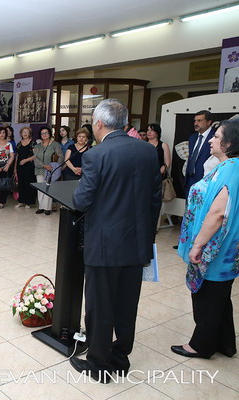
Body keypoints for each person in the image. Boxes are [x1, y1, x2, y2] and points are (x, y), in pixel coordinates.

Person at [70, 99, 161, 382]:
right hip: (137, 243)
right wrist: (147, 237)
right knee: (126, 305)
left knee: (99, 307)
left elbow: (81, 200)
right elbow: (155, 199)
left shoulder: (96, 155)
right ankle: (120, 360)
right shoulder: (148, 151)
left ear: (98, 123)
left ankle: (98, 366)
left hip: (104, 246)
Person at [172, 119, 239, 359]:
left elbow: (218, 213)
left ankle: (201, 346)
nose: (211, 139)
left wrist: (198, 244)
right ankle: (226, 343)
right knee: (220, 296)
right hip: (227, 249)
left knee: (206, 297)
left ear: (229, 143)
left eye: (217, 136)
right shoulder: (231, 166)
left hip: (214, 249)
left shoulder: (230, 170)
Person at [185, 110, 215, 196]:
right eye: (195, 121)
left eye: (199, 121)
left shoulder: (215, 137)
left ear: (209, 122)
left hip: (206, 181)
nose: (195, 123)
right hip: (190, 180)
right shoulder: (192, 138)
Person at [33, 127, 62, 215]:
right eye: (42, 133)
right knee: (40, 189)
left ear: (49, 134)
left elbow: (60, 157)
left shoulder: (55, 144)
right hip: (40, 170)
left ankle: (47, 208)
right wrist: (44, 165)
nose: (44, 135)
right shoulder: (37, 146)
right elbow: (35, 158)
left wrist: (54, 166)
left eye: (46, 133)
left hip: (51, 170)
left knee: (48, 189)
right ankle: (41, 207)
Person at [14, 126, 36, 208]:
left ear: (30, 133)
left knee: (28, 184)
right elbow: (17, 156)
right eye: (24, 132)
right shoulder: (19, 144)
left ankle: (28, 202)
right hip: (20, 166)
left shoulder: (33, 143)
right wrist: (15, 169)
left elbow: (35, 155)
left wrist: (25, 160)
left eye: (27, 132)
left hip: (29, 166)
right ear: (21, 134)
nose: (25, 133)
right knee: (21, 184)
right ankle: (21, 201)